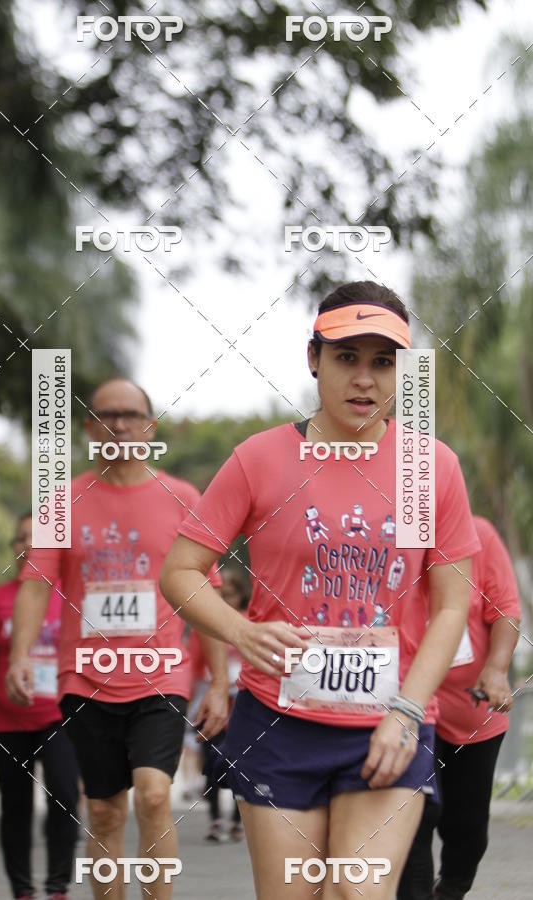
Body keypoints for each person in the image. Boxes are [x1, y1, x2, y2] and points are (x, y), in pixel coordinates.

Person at [160, 281, 482, 899]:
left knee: (356, 893)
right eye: (347, 358)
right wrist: (242, 632)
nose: (365, 380)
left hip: (391, 720)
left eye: (383, 362)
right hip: (278, 723)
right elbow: (178, 571)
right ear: (314, 359)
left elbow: (450, 606)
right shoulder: (261, 459)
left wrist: (408, 712)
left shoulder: (428, 468)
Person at [6, 379, 229, 900]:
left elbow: (205, 595)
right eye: (107, 415)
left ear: (151, 426)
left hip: (163, 674)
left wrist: (219, 680)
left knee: (154, 796)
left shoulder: (183, 498)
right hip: (85, 677)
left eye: (131, 415)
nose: (120, 424)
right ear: (89, 428)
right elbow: (35, 587)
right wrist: (19, 655)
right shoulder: (62, 501)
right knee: (105, 810)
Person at [398, 515, 521, 900]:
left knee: (467, 831)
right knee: (414, 817)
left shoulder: (479, 534)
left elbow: (504, 608)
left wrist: (497, 670)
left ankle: (450, 890)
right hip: (406, 709)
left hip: (470, 712)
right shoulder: (387, 536)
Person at [0, 512, 79, 900]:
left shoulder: (68, 595)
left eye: (36, 538)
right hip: (7, 721)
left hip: (60, 717)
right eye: (20, 539)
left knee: (65, 797)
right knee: (16, 808)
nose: (28, 545)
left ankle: (57, 887)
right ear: (13, 548)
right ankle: (22, 890)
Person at [196, 567, 250, 842]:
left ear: (242, 595)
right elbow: (195, 660)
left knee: (242, 765)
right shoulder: (207, 624)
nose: (227, 601)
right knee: (211, 762)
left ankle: (238, 821)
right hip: (213, 698)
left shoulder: (250, 621)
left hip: (242, 702)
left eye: (231, 595)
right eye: (222, 596)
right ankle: (215, 818)